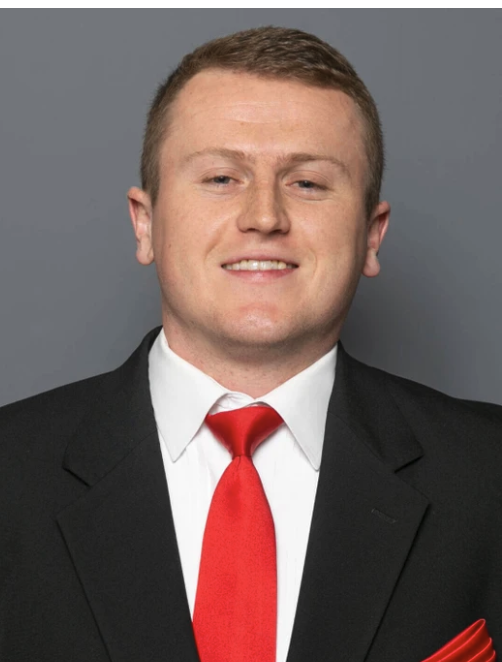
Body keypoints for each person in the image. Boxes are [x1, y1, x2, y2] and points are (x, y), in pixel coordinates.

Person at [1, 26, 501, 662]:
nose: (264, 216)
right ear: (145, 223)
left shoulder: (488, 474)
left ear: (372, 235)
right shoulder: (10, 472)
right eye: (220, 177)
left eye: (308, 183)